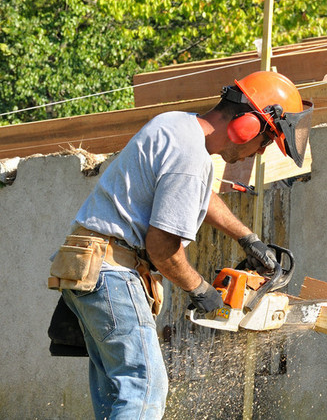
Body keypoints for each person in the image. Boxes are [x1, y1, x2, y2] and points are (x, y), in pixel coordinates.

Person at [48, 70, 312, 419]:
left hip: (86, 266)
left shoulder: (177, 126)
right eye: (264, 142)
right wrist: (202, 291)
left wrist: (248, 238)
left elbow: (199, 193)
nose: (259, 153)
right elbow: (162, 248)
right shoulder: (190, 157)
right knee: (145, 387)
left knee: (118, 392)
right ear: (246, 125)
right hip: (113, 271)